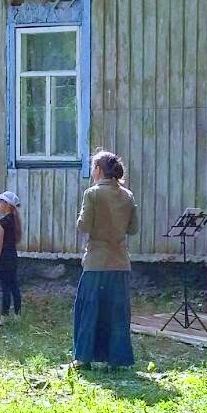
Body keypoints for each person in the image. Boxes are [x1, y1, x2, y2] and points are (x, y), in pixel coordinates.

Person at [72, 150, 139, 369]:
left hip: (96, 261)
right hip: (120, 261)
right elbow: (133, 228)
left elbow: (84, 226)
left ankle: (84, 358)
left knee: (89, 311)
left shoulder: (92, 193)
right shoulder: (128, 195)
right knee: (117, 313)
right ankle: (116, 360)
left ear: (98, 170)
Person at [0, 191, 23, 325]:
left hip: (4, 257)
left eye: (0, 202)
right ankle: (17, 314)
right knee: (14, 286)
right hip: (13, 256)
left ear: (7, 205)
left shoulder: (3, 222)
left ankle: (3, 318)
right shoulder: (15, 221)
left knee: (5, 288)